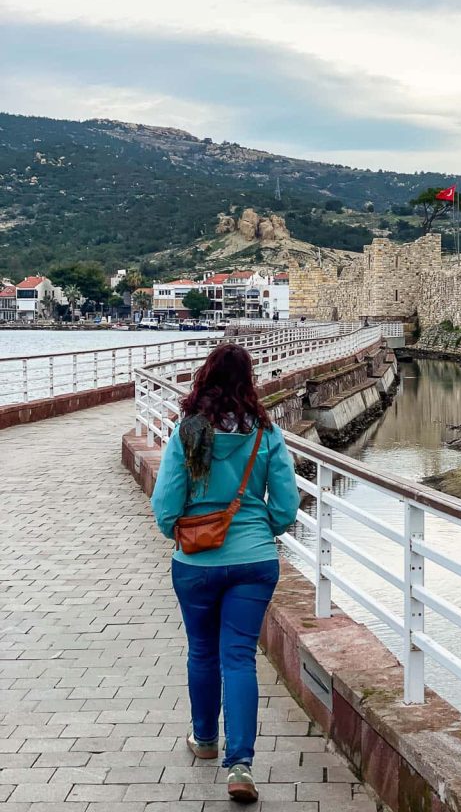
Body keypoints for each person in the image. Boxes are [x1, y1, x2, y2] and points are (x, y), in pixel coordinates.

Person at [151, 344, 299, 804]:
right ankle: (241, 766)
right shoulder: (265, 433)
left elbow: (165, 506)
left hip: (196, 563)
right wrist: (259, 530)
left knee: (202, 651)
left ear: (205, 378)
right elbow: (287, 507)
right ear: (248, 381)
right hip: (254, 562)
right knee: (239, 657)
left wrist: (181, 531)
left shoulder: (189, 431)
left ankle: (205, 741)